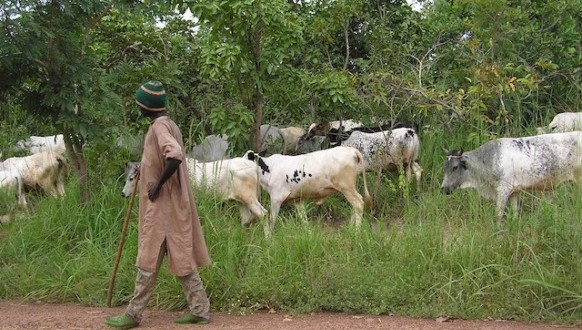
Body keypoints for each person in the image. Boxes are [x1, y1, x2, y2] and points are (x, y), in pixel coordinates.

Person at [106, 81, 211, 328]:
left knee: (147, 257)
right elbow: (162, 157)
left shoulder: (159, 127)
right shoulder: (169, 124)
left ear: (147, 106)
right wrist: (147, 169)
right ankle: (200, 310)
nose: (137, 108)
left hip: (161, 206)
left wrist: (158, 185)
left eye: (139, 104)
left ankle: (133, 315)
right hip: (174, 205)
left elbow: (174, 156)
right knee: (180, 255)